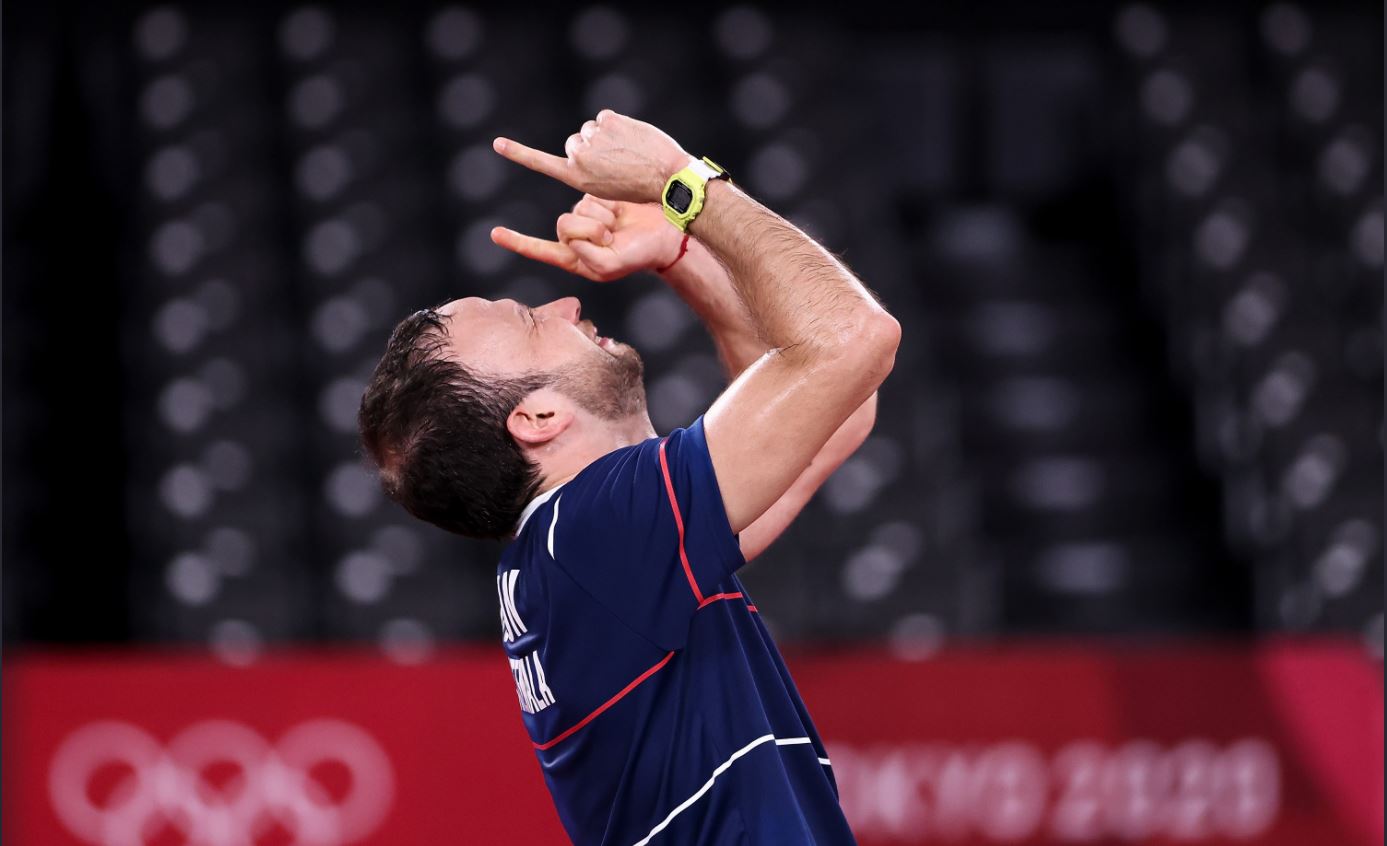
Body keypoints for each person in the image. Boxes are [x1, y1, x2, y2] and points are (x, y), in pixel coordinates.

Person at [358, 110, 900, 845]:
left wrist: (682, 255)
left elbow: (836, 413)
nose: (566, 302)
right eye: (529, 320)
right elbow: (856, 339)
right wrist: (684, 187)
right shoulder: (596, 530)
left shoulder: (580, 554)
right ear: (538, 418)